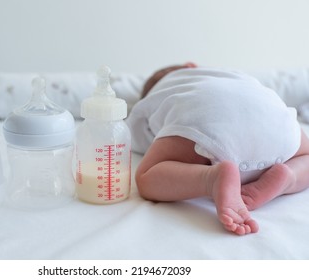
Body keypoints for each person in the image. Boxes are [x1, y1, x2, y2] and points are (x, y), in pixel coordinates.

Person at [126, 63, 309, 235]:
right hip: (275, 123)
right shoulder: (230, 75)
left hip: (204, 123)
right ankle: (289, 176)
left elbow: (134, 136)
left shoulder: (157, 94)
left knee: (147, 176)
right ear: (191, 65)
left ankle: (210, 178)